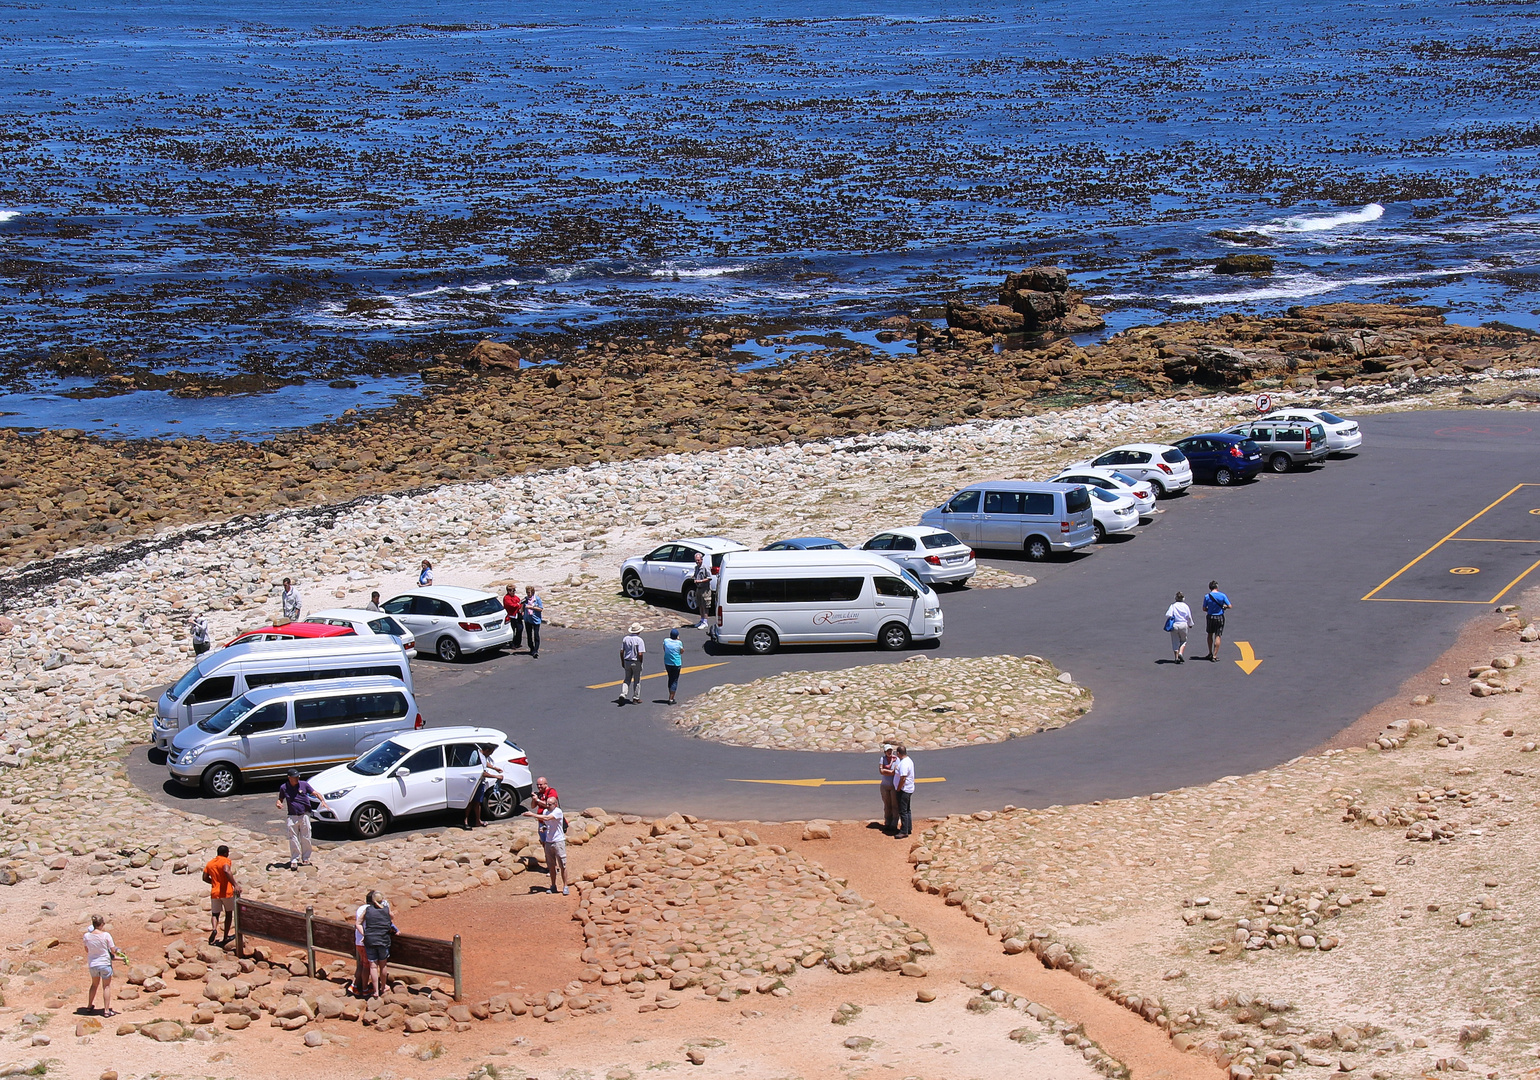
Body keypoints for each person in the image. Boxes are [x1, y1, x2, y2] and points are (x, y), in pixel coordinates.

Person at [275, 769, 331, 869]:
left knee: (306, 837)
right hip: (292, 816)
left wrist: (322, 801)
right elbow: (280, 799)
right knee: (293, 838)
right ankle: (294, 859)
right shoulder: (284, 787)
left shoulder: (304, 784)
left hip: (304, 814)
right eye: (295, 777)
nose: (297, 779)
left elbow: (315, 793)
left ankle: (306, 858)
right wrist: (278, 803)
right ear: (289, 778)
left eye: (298, 777)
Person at [357, 891, 398, 998]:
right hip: (383, 940)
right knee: (383, 965)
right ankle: (383, 987)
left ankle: (375, 991)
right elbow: (391, 918)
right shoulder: (386, 910)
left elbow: (358, 923)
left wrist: (365, 934)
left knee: (373, 967)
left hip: (370, 940)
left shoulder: (367, 910)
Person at [83, 914, 124, 1017]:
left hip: (93, 964)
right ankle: (106, 1010)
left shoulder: (87, 936)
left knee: (94, 985)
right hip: (104, 963)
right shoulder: (106, 935)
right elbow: (113, 950)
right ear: (101, 924)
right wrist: (119, 952)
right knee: (106, 986)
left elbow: (87, 950)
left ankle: (89, 1006)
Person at [202, 844, 241, 945]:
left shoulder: (210, 863)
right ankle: (225, 936)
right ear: (225, 853)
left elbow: (205, 877)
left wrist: (214, 883)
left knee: (215, 914)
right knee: (228, 914)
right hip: (226, 892)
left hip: (215, 893)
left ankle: (214, 929)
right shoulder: (225, 860)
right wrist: (235, 885)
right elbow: (226, 870)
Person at [535, 798, 571, 895]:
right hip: (549, 841)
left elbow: (546, 818)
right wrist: (544, 828)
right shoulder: (546, 811)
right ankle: (553, 885)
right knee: (551, 866)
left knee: (562, 865)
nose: (548, 805)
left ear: (555, 804)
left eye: (550, 804)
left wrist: (531, 815)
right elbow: (548, 824)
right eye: (547, 804)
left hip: (558, 842)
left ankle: (565, 886)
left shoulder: (558, 811)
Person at [464, 745, 505, 830]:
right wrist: (496, 776)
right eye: (491, 752)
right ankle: (466, 821)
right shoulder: (477, 755)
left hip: (480, 782)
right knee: (470, 802)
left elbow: (484, 763)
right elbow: (482, 773)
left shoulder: (482, 756)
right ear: (486, 750)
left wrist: (494, 768)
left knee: (477, 802)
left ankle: (478, 821)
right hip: (474, 782)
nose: (491, 754)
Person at [1202, 580, 1232, 662]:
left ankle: (1210, 652)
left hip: (1210, 617)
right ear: (1217, 587)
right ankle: (1214, 655)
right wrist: (1224, 607)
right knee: (1218, 635)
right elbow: (1230, 606)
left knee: (1209, 634)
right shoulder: (1222, 595)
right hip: (1219, 617)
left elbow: (1204, 608)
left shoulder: (1207, 596)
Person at [891, 744, 915, 839]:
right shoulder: (908, 760)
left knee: (903, 810)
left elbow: (903, 778)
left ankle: (904, 831)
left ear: (898, 753)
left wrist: (898, 788)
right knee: (907, 810)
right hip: (908, 789)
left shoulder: (904, 763)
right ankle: (908, 827)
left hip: (904, 790)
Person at [1165, 591, 1195, 664]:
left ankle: (1176, 658)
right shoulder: (1186, 606)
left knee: (1175, 641)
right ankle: (1180, 653)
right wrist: (1190, 624)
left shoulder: (1173, 606)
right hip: (1183, 624)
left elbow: (1168, 614)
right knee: (1183, 640)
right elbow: (1189, 616)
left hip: (1175, 624)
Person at [620, 623, 646, 703]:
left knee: (627, 679)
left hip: (627, 661)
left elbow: (621, 651)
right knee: (637, 680)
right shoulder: (639, 640)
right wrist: (641, 661)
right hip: (636, 661)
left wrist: (622, 661)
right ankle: (636, 698)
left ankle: (623, 694)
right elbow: (640, 653)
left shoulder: (625, 639)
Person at [878, 744, 898, 834]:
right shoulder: (882, 759)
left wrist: (887, 771)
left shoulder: (896, 759)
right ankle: (887, 822)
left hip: (893, 785)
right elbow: (881, 771)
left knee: (894, 805)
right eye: (887, 751)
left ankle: (894, 823)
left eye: (890, 750)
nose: (889, 752)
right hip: (885, 785)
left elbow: (896, 772)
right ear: (885, 752)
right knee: (887, 805)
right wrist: (891, 771)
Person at [690, 552, 712, 630]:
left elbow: (709, 578)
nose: (697, 562)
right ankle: (702, 620)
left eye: (698, 560)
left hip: (705, 589)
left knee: (705, 605)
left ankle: (705, 622)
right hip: (698, 589)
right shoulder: (696, 568)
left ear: (702, 559)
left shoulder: (705, 567)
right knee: (700, 605)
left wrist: (701, 581)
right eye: (696, 560)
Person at [662, 629, 683, 705]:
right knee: (674, 680)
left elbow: (664, 649)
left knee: (670, 678)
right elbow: (681, 651)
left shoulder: (666, 641)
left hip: (667, 662)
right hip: (676, 663)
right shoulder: (679, 643)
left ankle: (671, 694)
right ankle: (671, 698)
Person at [523, 585, 543, 658]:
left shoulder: (537, 599)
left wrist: (531, 607)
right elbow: (522, 607)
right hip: (528, 619)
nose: (528, 594)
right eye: (527, 592)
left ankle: (536, 650)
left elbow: (541, 609)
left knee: (536, 635)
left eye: (529, 592)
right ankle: (531, 648)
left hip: (536, 619)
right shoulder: (525, 599)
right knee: (529, 635)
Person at [502, 585, 523, 650]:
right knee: (512, 630)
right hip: (511, 616)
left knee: (520, 628)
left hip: (517, 615)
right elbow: (510, 605)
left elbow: (520, 603)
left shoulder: (515, 597)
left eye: (514, 590)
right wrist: (517, 605)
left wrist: (519, 605)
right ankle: (512, 643)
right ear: (508, 591)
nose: (514, 592)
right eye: (513, 590)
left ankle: (518, 642)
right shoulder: (506, 598)